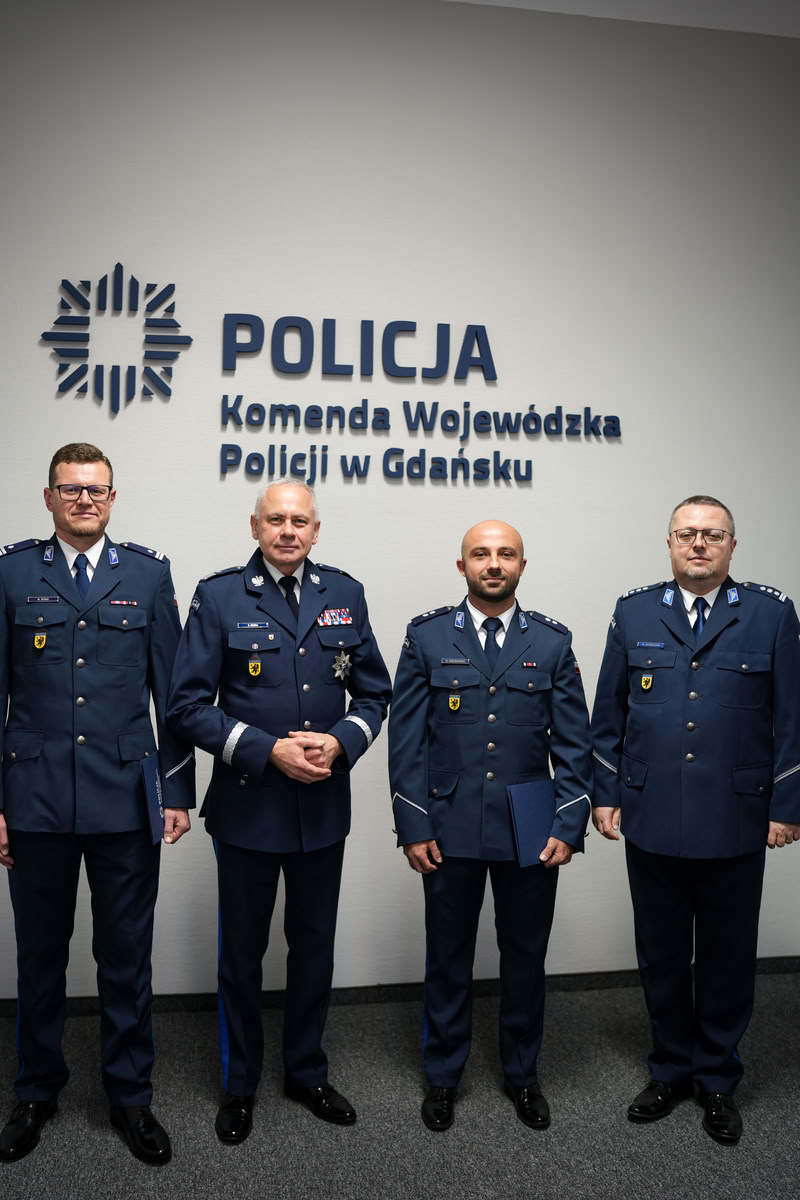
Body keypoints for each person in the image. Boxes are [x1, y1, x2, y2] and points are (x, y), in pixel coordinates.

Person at [166, 479, 391, 1144]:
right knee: (241, 953)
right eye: (275, 520)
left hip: (322, 805)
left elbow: (374, 695)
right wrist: (268, 751)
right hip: (248, 806)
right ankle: (239, 1085)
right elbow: (186, 706)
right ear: (255, 526)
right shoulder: (219, 596)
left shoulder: (345, 593)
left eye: (299, 521)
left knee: (314, 949)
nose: (288, 530)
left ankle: (306, 1072)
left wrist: (341, 741)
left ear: (316, 530)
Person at [0, 442, 194, 1166]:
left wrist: (176, 791)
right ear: (49, 497)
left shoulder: (147, 573)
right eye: (72, 488)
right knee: (39, 957)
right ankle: (35, 1090)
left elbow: (172, 695)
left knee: (126, 957)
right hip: (35, 798)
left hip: (125, 798)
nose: (85, 499)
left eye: (97, 489)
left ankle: (130, 1095)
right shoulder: (11, 572)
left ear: (113, 498)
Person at [591, 494, 800, 1145]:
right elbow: (608, 714)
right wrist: (604, 793)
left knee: (726, 956)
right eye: (687, 534)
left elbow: (793, 719)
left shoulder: (770, 613)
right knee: (659, 954)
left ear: (733, 545)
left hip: (738, 816)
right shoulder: (633, 611)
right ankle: (669, 1069)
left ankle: (716, 1078)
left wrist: (787, 805)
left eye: (713, 534)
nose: (699, 544)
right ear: (670, 543)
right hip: (651, 812)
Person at [388, 520, 593, 1132]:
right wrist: (413, 825)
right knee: (447, 956)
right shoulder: (426, 636)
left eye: (506, 554)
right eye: (481, 554)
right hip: (447, 823)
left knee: (525, 957)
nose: (493, 564)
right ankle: (443, 1075)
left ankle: (523, 1075)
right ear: (463, 566)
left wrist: (568, 824)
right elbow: (406, 743)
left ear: (523, 565)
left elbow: (574, 745)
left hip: (531, 824)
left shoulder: (552, 642)